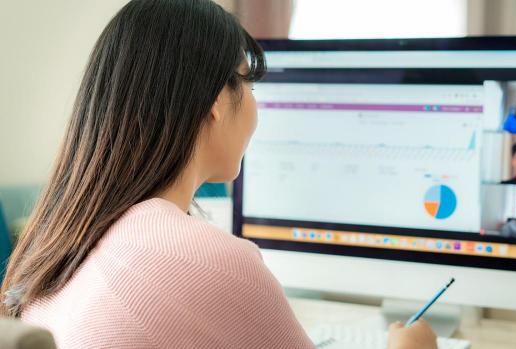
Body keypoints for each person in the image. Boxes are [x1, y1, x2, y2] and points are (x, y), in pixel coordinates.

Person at [0, 1, 437, 348]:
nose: (253, 105)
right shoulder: (207, 260)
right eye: (248, 85)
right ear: (214, 100)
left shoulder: (59, 241)